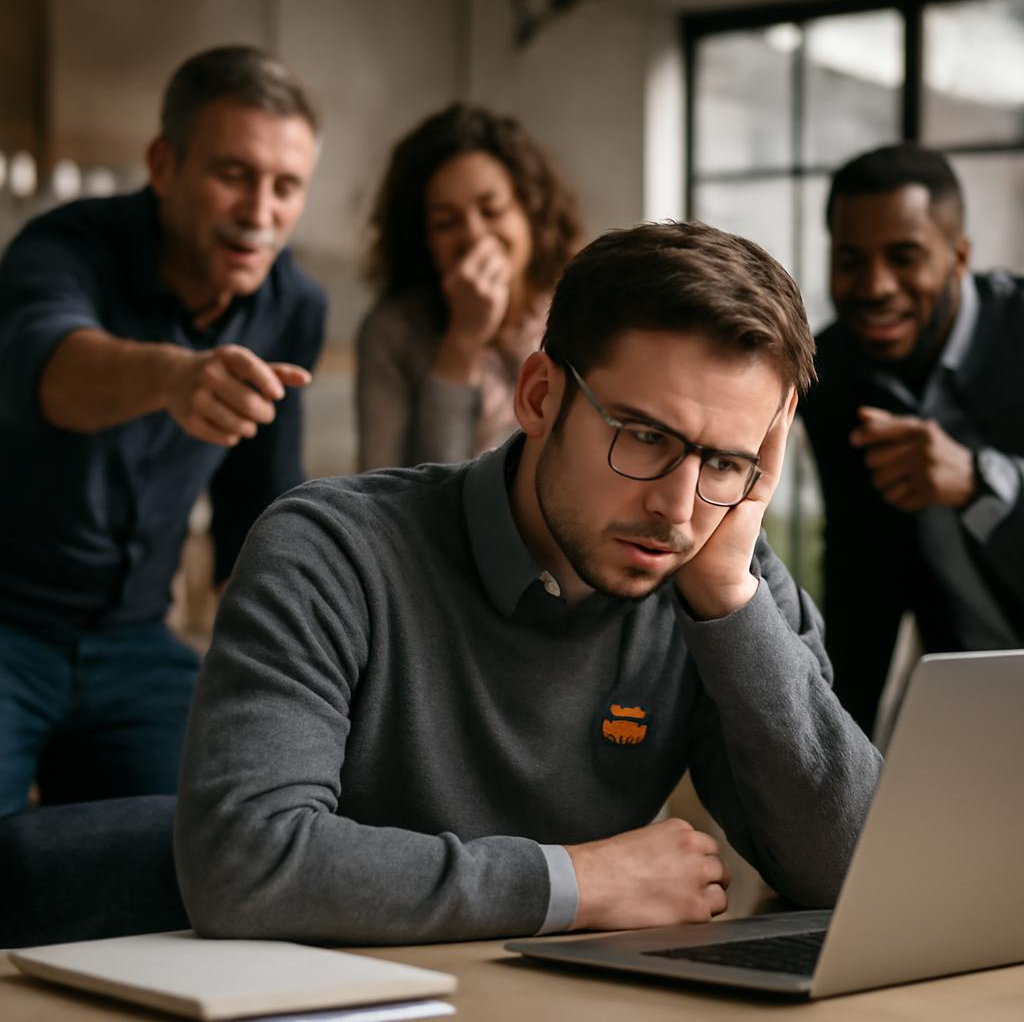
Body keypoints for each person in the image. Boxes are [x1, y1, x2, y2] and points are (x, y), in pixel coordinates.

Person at [175, 221, 881, 945]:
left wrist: (731, 603)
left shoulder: (720, 573)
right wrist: (579, 882)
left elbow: (861, 879)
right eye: (643, 435)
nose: (677, 507)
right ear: (540, 396)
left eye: (726, 463)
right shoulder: (330, 552)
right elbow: (243, 865)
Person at [0, 45, 325, 817]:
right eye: (233, 175)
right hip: (8, 623)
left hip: (137, 644)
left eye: (286, 186)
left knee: (215, 837)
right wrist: (176, 378)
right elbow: (46, 369)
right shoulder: (61, 248)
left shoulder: (292, 304)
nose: (260, 213)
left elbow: (260, 506)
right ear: (163, 163)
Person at [801, 143, 1024, 737]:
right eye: (850, 260)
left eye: (905, 256)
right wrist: (838, 763)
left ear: (959, 257)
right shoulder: (831, 374)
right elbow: (859, 576)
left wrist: (982, 483)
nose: (875, 287)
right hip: (967, 692)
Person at [356, 102, 582, 470]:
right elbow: (385, 489)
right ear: (422, 240)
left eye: (491, 211)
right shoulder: (392, 332)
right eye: (446, 223)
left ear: (531, 210)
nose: (475, 235)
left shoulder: (580, 311)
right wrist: (462, 341)